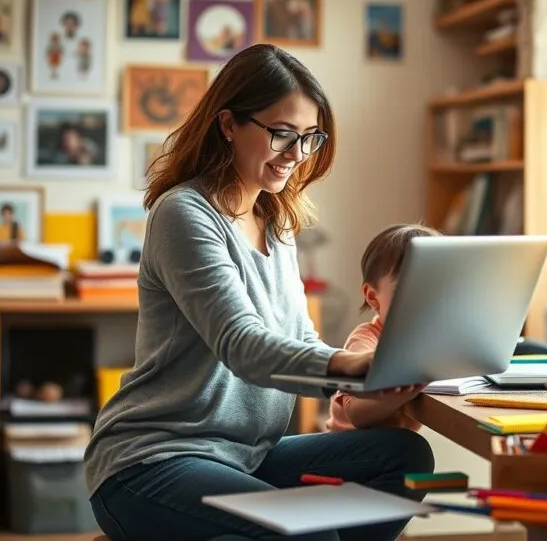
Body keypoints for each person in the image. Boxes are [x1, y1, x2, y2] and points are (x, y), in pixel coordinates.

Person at [83, 43, 433, 541]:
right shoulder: (184, 213)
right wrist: (347, 366)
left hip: (248, 456)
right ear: (228, 124)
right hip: (152, 463)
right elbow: (241, 344)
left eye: (309, 137)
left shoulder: (276, 222)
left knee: (404, 457)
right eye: (281, 134)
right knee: (312, 531)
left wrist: (377, 371)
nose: (296, 155)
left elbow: (299, 339)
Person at [325, 224, 441, 432]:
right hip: (347, 453)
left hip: (390, 449)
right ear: (372, 297)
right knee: (412, 449)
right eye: (407, 290)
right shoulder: (366, 340)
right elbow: (357, 414)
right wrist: (407, 389)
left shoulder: (436, 341)